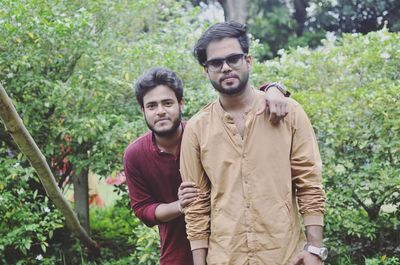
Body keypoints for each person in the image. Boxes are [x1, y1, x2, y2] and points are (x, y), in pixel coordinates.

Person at [180, 21, 327, 265]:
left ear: (248, 61)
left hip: (286, 256)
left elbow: (309, 183)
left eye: (233, 59)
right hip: (225, 258)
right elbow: (196, 205)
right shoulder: (197, 129)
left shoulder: (289, 113)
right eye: (216, 63)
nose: (226, 67)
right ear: (206, 71)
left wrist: (315, 249)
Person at [123, 67, 290, 265]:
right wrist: (180, 205)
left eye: (167, 103)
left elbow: (239, 107)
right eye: (151, 106)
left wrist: (273, 88)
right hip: (178, 254)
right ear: (143, 110)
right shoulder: (135, 155)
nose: (160, 111)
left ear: (181, 104)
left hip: (233, 248)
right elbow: (143, 209)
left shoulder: (203, 134)